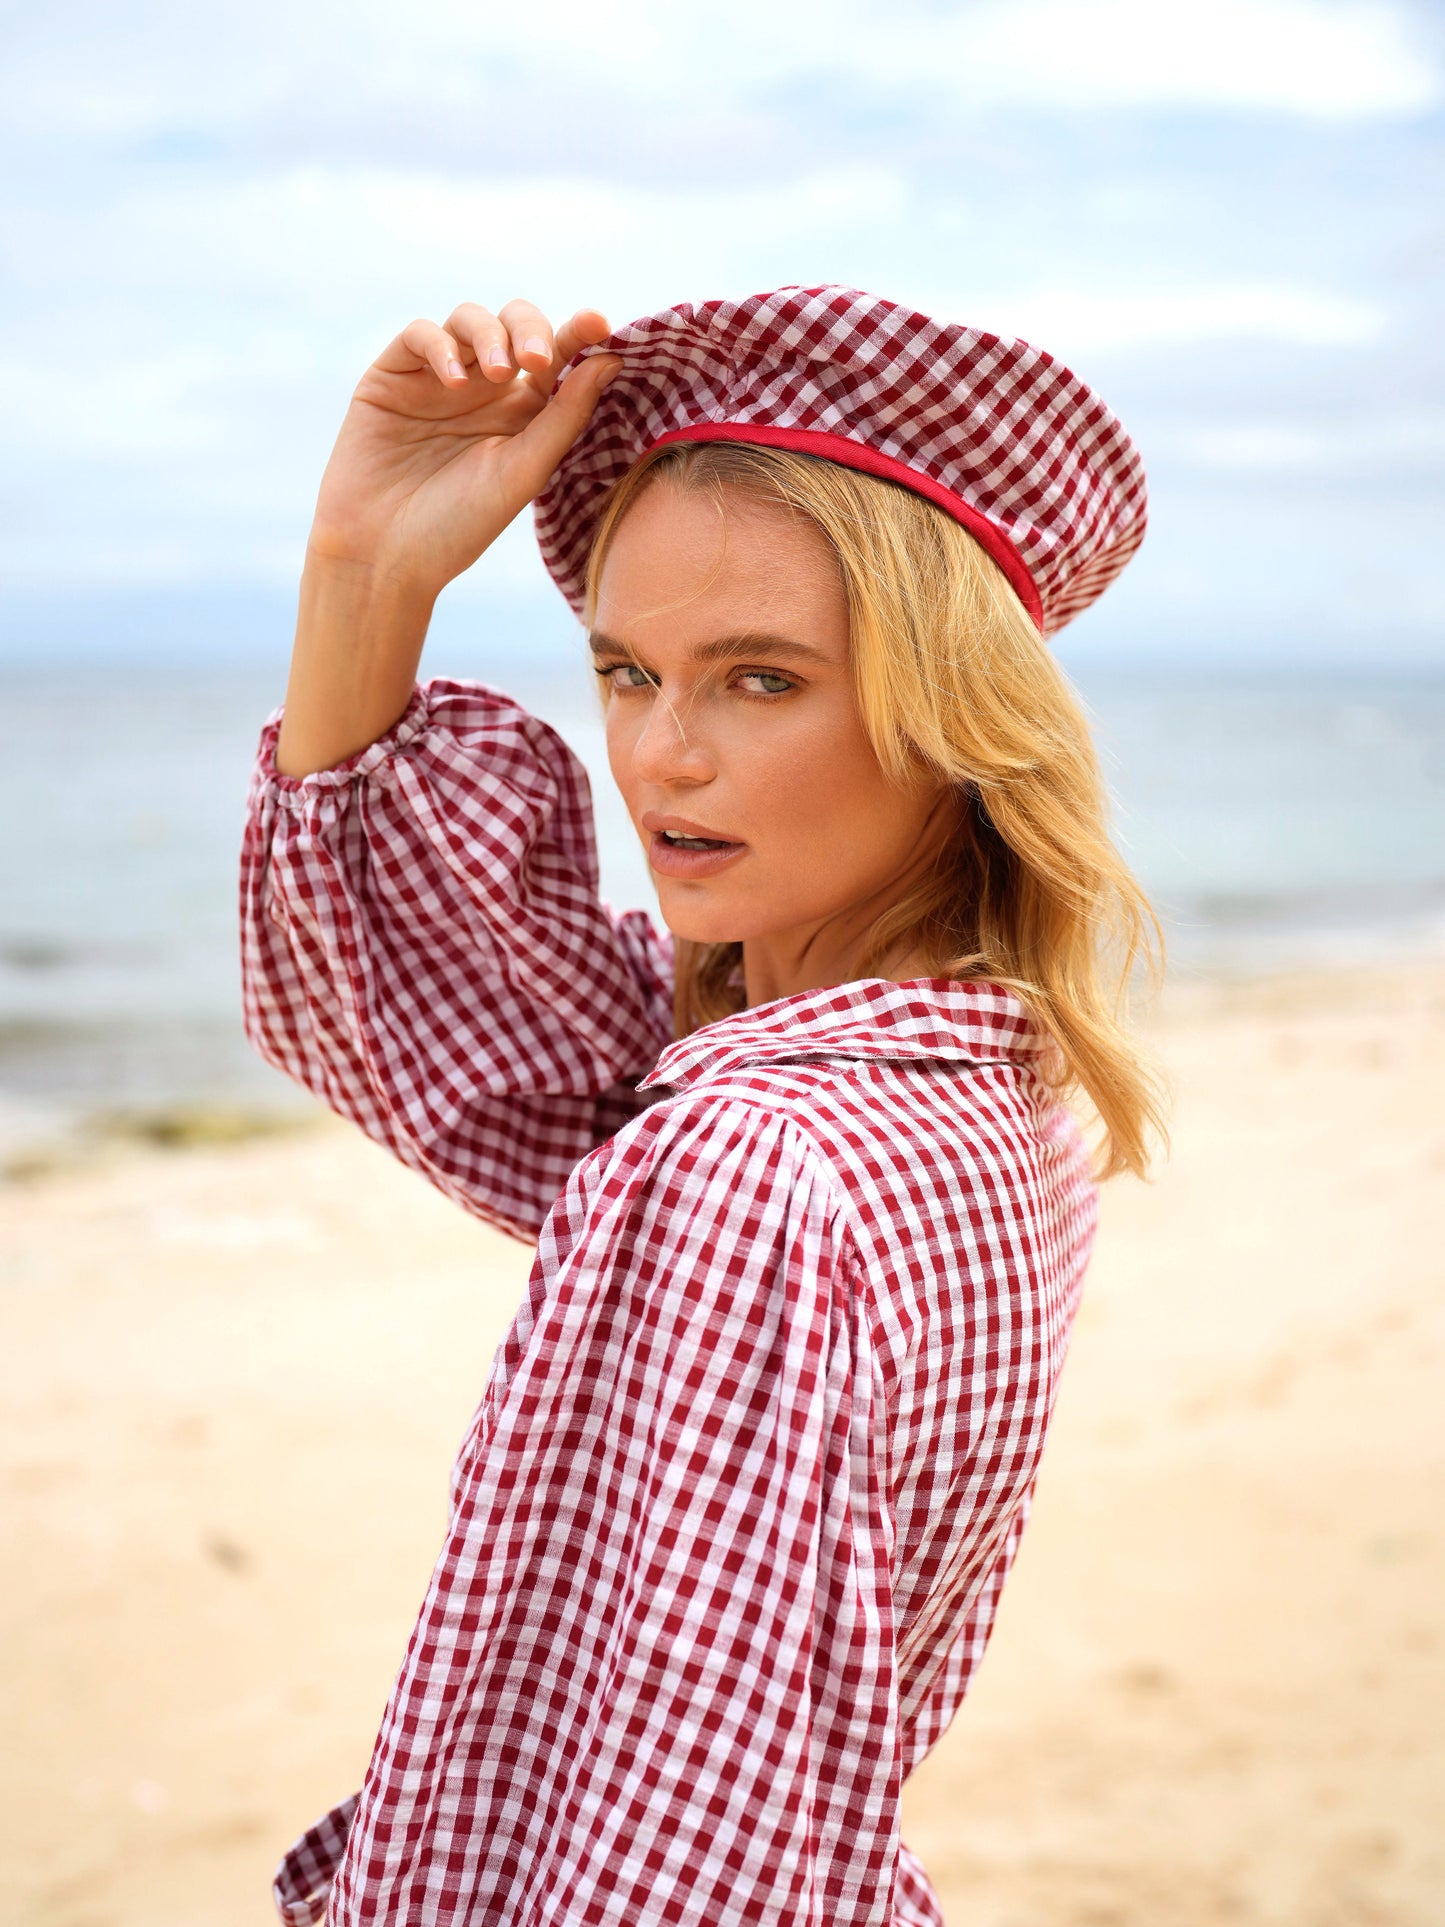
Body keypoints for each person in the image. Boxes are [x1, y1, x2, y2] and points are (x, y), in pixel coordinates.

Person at [241, 285, 1165, 1926]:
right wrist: (363, 567)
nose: (658, 758)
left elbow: (674, 1847)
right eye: (625, 669)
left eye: (760, 681)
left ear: (952, 716)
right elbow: (427, 1008)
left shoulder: (749, 1162)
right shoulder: (978, 1078)